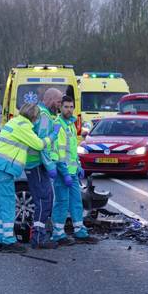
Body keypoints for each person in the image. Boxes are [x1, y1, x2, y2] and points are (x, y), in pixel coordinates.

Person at [0, 103, 60, 253]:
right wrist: (52, 136)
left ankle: (0, 240)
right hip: (4, 168)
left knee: (1, 205)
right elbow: (39, 144)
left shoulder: (14, 121)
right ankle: (8, 241)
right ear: (34, 117)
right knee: (8, 204)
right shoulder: (24, 126)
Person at [51, 95, 99, 246]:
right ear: (60, 107)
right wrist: (64, 172)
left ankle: (80, 231)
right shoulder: (58, 125)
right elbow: (57, 152)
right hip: (62, 173)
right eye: (66, 107)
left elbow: (72, 151)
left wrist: (78, 165)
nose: (69, 109)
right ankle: (58, 234)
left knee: (76, 202)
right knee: (62, 203)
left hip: (71, 172)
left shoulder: (71, 125)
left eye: (71, 107)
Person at [25, 88, 63, 249]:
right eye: (59, 102)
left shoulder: (39, 112)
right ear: (51, 100)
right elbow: (43, 145)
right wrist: (50, 166)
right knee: (44, 200)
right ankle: (39, 239)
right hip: (37, 164)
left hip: (34, 164)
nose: (60, 105)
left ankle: (39, 236)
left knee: (44, 199)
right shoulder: (45, 116)